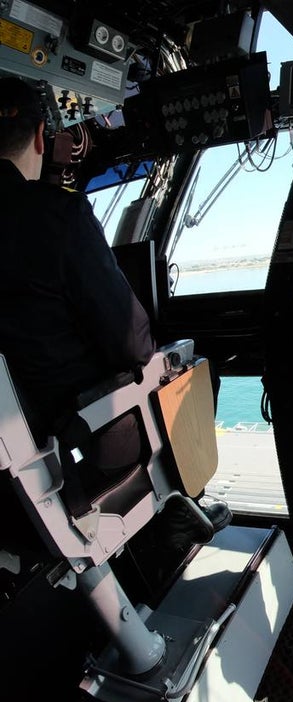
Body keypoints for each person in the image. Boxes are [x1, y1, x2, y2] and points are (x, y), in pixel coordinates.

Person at [0, 76, 230, 548]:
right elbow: (134, 343)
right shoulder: (57, 216)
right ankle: (177, 516)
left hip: (15, 443)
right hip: (75, 436)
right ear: (42, 137)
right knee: (185, 371)